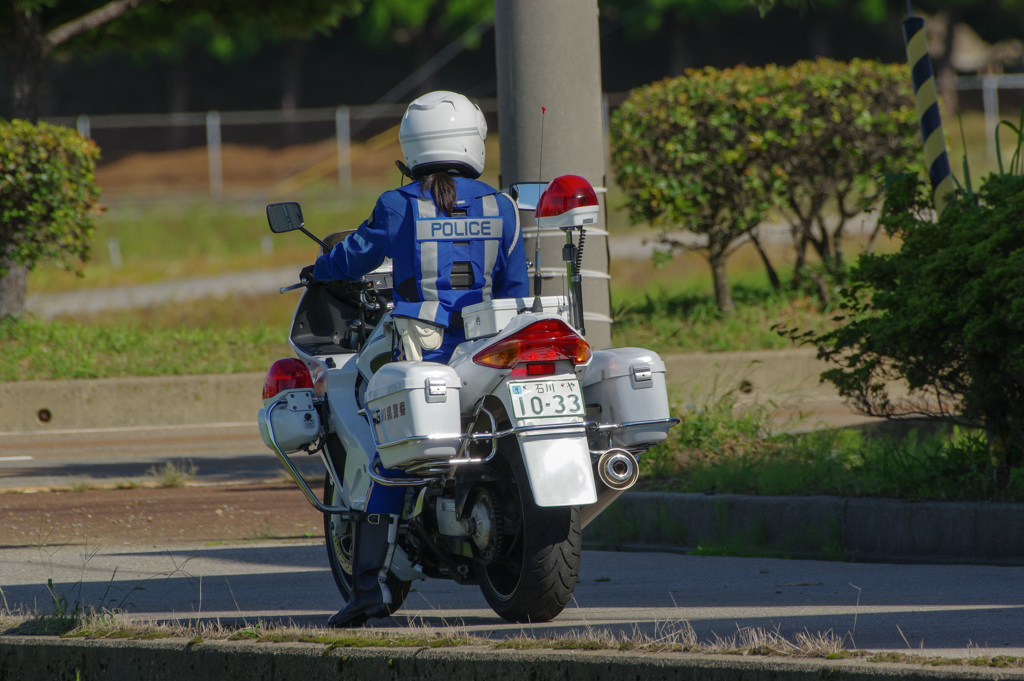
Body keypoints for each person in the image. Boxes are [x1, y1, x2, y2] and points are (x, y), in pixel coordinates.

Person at [303, 91, 529, 628]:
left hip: (419, 342)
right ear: (473, 141)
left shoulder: (397, 204)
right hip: (487, 347)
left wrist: (320, 267)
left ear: (412, 145)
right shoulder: (503, 206)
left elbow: (356, 254)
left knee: (384, 440)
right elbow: (515, 288)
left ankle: (367, 590)